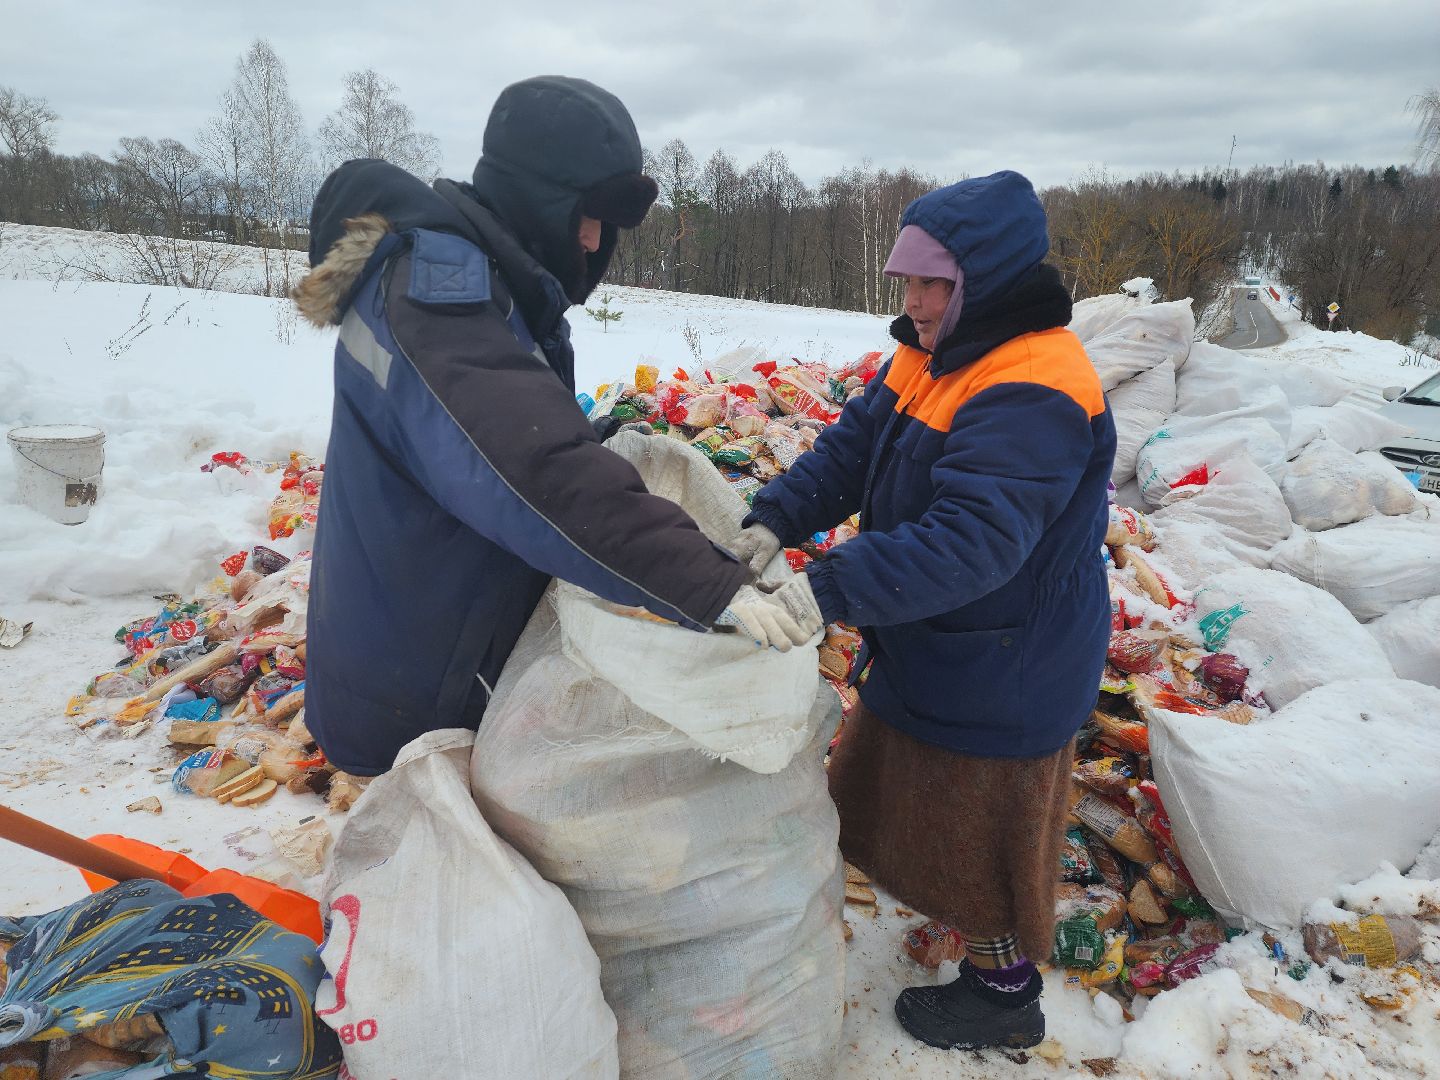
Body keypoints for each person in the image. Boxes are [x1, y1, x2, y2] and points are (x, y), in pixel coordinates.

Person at [293, 75, 820, 777]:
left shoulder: (487, 287)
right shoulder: (437, 294)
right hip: (413, 697)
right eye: (586, 215)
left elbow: (482, 443)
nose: (595, 241)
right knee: (443, 873)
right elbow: (531, 469)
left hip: (439, 647)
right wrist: (707, 581)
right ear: (536, 197)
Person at [729, 171, 1116, 1051]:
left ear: (985, 280)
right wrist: (772, 521)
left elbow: (975, 542)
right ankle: (958, 926)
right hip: (940, 635)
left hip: (1008, 656)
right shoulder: (932, 351)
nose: (915, 301)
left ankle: (1003, 990)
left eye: (933, 284)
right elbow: (854, 445)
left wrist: (823, 589)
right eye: (906, 281)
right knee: (903, 785)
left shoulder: (1035, 384)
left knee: (977, 830)